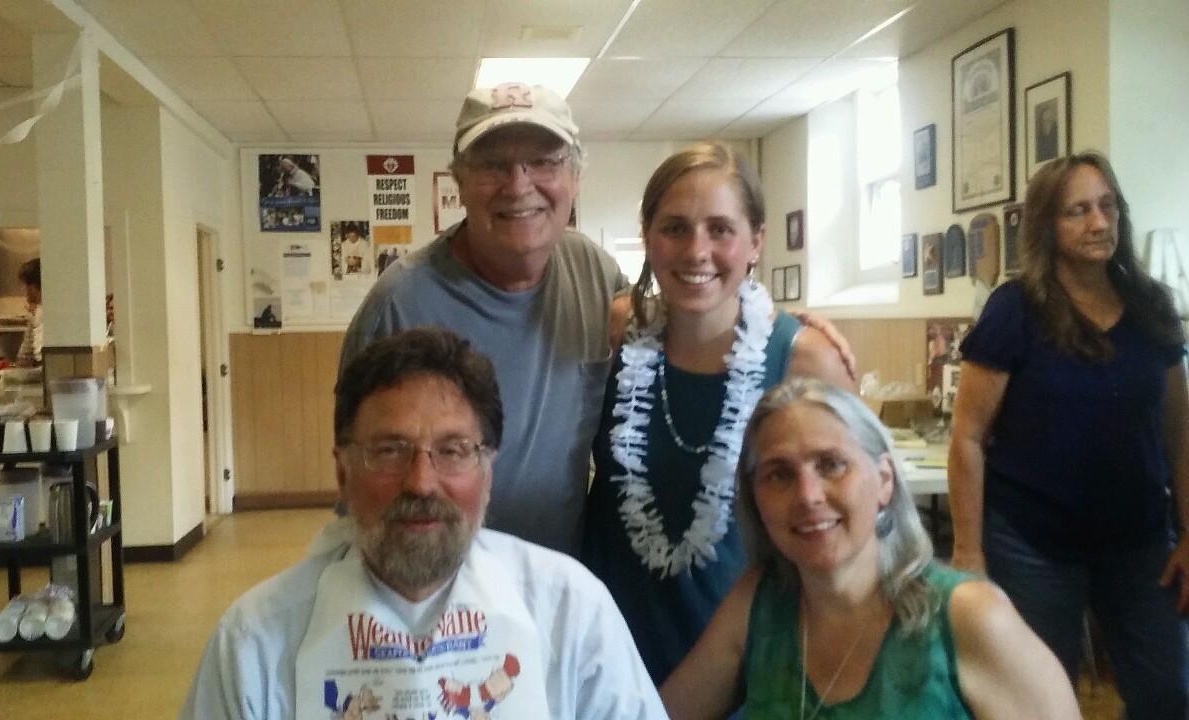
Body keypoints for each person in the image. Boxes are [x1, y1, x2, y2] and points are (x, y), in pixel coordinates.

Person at [339, 82, 854, 556]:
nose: (519, 185)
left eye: (544, 161)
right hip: (436, 585)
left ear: (574, 178)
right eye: (493, 164)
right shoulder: (398, 305)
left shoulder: (593, 273)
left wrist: (780, 324)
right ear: (458, 181)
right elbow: (355, 471)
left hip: (565, 581)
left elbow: (684, 302)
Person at [180, 328, 667, 720]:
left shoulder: (572, 611)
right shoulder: (253, 644)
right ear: (342, 471)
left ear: (488, 469)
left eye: (454, 451)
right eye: (389, 450)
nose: (421, 483)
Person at [582, 141, 852, 686]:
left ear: (756, 241)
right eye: (675, 227)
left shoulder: (805, 360)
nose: (696, 250)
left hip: (748, 654)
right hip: (606, 647)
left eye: (720, 229)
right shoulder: (614, 335)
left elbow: (858, 528)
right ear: (648, 237)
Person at [661, 378, 1080, 719]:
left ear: (884, 481)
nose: (808, 496)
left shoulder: (969, 617)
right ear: (755, 499)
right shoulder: (761, 604)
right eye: (780, 474)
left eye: (831, 465)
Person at [948, 151, 1189, 716]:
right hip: (1033, 543)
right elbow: (968, 437)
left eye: (1107, 207)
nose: (1098, 223)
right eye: (1077, 211)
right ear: (1047, 227)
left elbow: (1180, 430)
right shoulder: (1015, 309)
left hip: (1140, 543)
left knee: (1169, 691)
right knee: (1038, 699)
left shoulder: (1151, 306)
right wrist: (967, 553)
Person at [16, 258, 42, 367]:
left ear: (32, 287)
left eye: (24, 285)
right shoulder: (35, 315)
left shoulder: (43, 316)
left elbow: (24, 358)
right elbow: (24, 358)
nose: (23, 290)